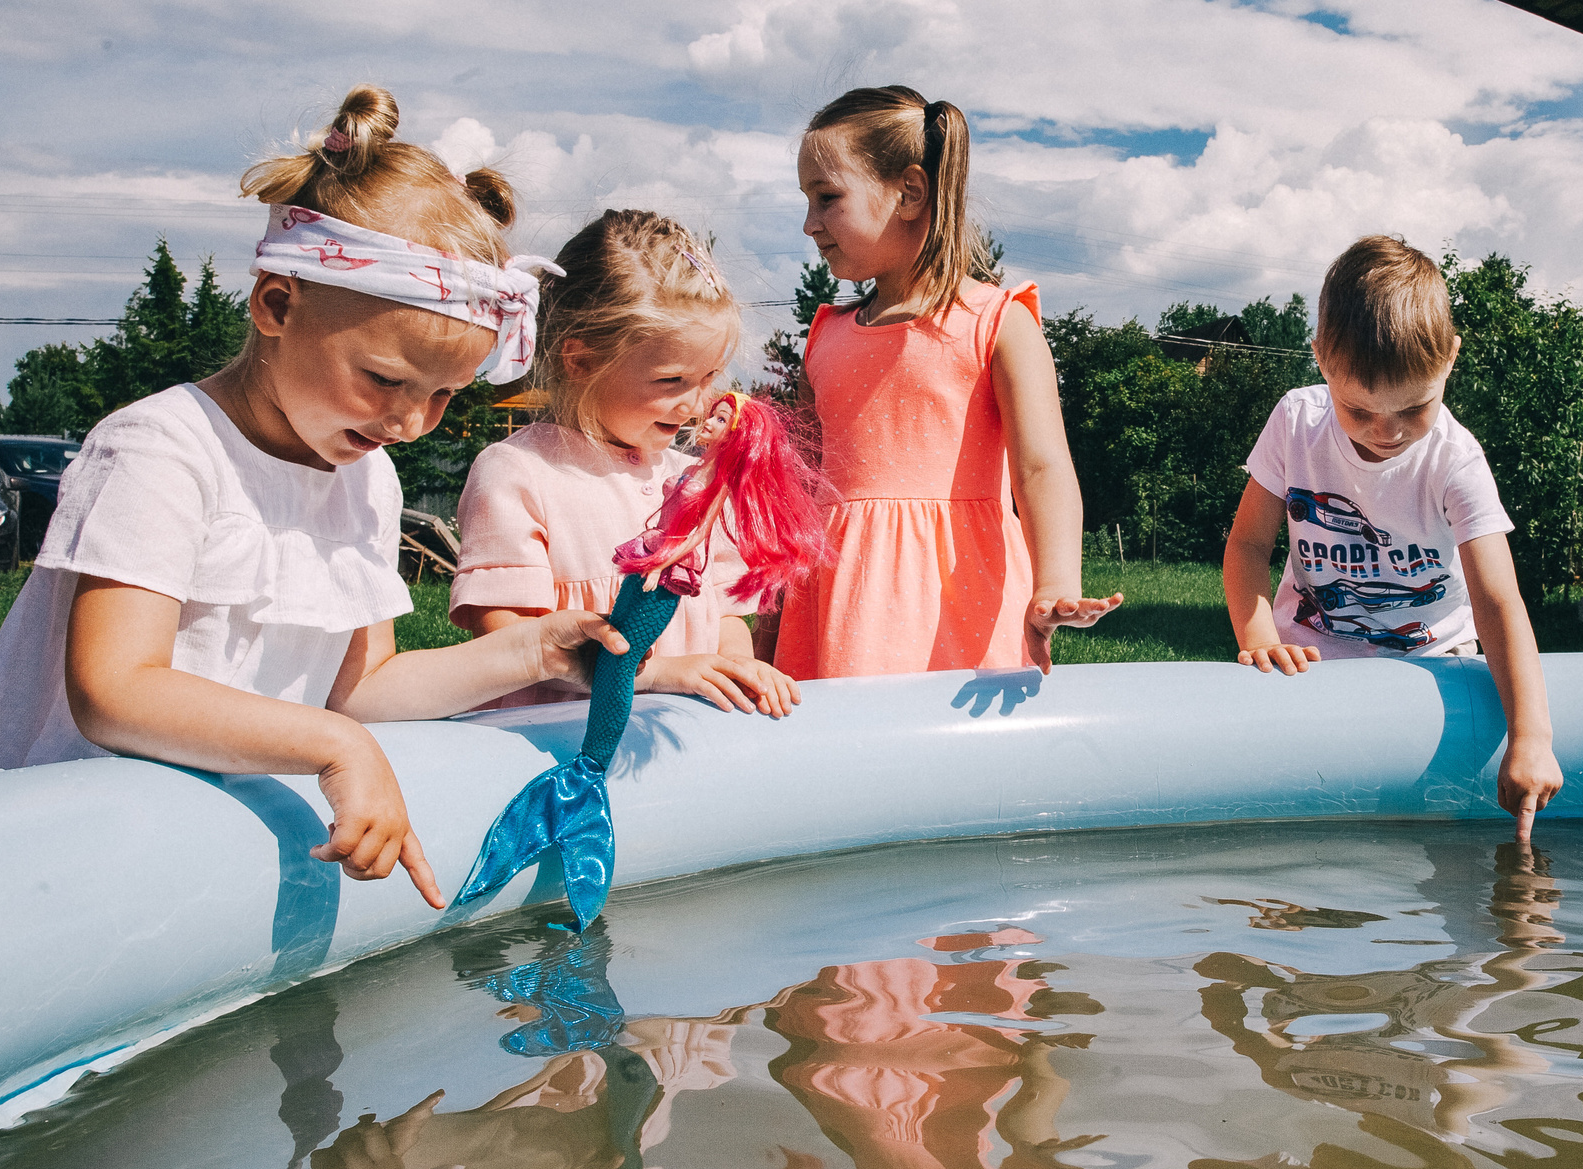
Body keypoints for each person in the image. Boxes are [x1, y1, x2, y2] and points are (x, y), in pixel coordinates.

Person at [0, 86, 629, 907]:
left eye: (444, 395)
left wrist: (538, 651)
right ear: (275, 305)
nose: (411, 420)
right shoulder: (162, 449)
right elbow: (114, 689)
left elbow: (362, 688)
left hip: (191, 857)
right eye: (384, 379)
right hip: (47, 858)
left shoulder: (365, 476)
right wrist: (333, 745)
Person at [766, 86, 1119, 678]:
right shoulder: (825, 335)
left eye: (827, 198)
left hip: (957, 593)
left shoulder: (997, 323)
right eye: (807, 201)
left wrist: (1055, 582)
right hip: (837, 587)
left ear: (909, 192)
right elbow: (797, 481)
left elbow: (1042, 466)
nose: (809, 224)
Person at [1221, 234, 1563, 839]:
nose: (1388, 432)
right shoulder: (1296, 423)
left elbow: (1497, 598)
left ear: (1449, 360)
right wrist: (1258, 636)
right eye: (1359, 411)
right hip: (1310, 657)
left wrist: (1531, 737)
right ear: (1321, 358)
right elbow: (1249, 544)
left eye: (1414, 409)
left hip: (1433, 666)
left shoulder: (1455, 462)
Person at [451, 209, 812, 716]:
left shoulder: (693, 484)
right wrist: (657, 675)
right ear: (580, 361)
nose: (696, 404)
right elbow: (507, 636)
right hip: (557, 748)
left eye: (708, 378)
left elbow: (726, 614)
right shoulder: (518, 472)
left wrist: (738, 665)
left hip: (675, 746)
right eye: (671, 382)